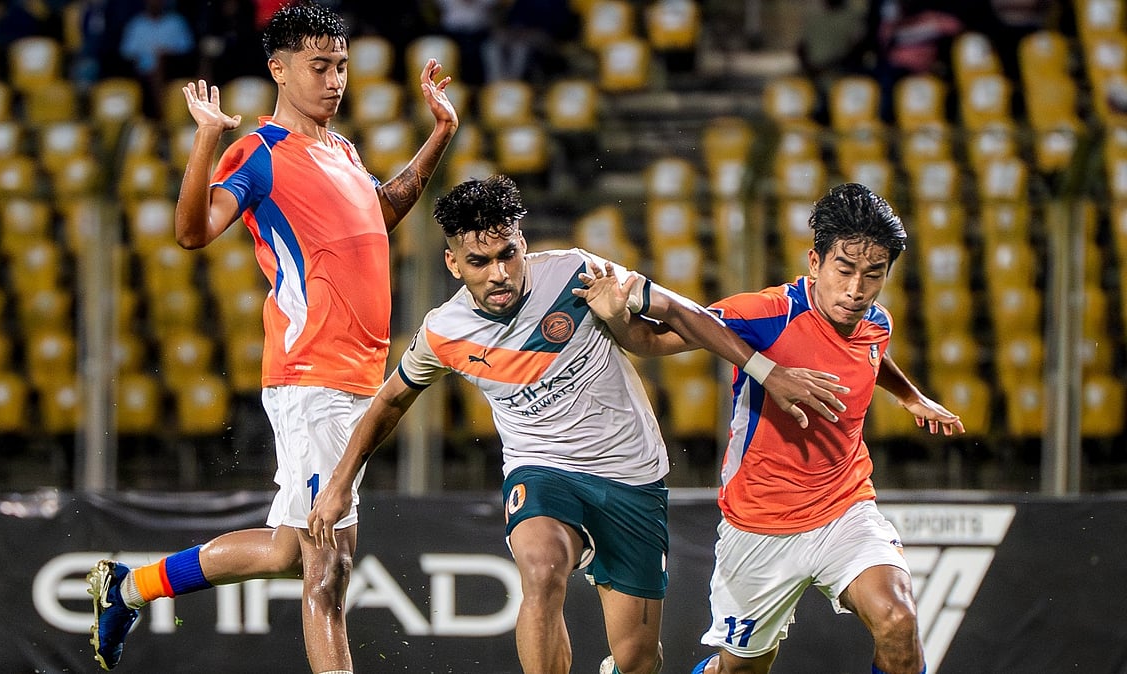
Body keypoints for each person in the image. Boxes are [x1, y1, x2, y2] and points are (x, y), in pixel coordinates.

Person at [305, 174, 850, 674]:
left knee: (638, 660)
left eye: (508, 254)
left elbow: (682, 314)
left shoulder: (575, 272)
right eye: (479, 262)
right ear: (452, 264)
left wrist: (765, 370)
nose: (499, 273)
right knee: (541, 572)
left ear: (522, 243)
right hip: (541, 469)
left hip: (632, 475)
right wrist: (338, 485)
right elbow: (388, 402)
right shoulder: (443, 332)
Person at [86, 2, 458, 671]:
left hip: (355, 378)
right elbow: (192, 232)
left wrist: (439, 135)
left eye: (341, 65)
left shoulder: (342, 148)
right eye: (320, 66)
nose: (335, 79)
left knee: (291, 548)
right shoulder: (256, 151)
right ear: (279, 70)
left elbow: (379, 217)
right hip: (312, 373)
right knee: (329, 566)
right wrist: (205, 138)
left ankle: (129, 585)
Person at [579, 182, 963, 674]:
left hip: (844, 507)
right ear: (815, 262)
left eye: (874, 275)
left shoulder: (875, 321)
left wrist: (910, 396)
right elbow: (655, 342)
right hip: (760, 524)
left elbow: (873, 353)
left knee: (898, 621)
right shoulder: (766, 314)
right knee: (742, 668)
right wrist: (620, 313)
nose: (856, 290)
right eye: (844, 271)